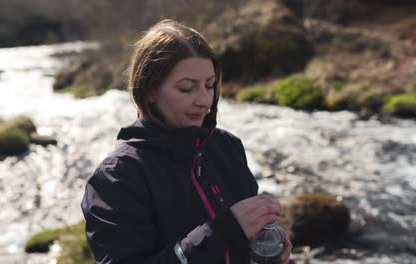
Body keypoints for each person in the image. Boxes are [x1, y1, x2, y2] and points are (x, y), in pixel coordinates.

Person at [81, 19, 292, 264]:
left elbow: (241, 244)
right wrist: (222, 232)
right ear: (149, 91)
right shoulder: (116, 177)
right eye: (186, 88)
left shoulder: (227, 147)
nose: (204, 100)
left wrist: (263, 244)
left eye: (210, 85)